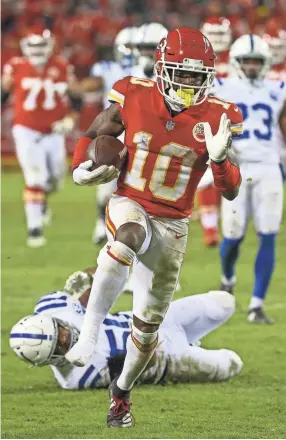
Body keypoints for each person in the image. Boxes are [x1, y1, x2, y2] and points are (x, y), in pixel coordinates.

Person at [66, 27, 243, 427]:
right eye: (180, 73)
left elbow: (230, 190)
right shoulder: (132, 92)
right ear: (162, 68)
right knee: (126, 238)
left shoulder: (220, 114)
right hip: (131, 200)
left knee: (146, 332)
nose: (187, 83)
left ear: (209, 76)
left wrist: (219, 160)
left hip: (174, 222)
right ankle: (89, 335)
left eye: (197, 76)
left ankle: (121, 393)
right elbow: (96, 134)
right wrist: (80, 167)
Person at [9, 269, 243, 390]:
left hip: (154, 318)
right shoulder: (78, 377)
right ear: (51, 360)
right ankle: (193, 349)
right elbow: (142, 364)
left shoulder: (51, 306)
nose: (66, 337)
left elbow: (90, 280)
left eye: (60, 330)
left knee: (224, 303)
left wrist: (99, 281)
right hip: (166, 357)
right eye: (59, 344)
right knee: (233, 363)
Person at [214, 34, 286, 324]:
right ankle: (227, 277)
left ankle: (257, 304)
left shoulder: (279, 88)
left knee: (268, 234)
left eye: (258, 61)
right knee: (232, 236)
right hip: (236, 166)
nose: (253, 67)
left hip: (269, 165)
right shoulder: (220, 87)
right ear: (236, 62)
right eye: (248, 61)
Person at [1, 26, 81, 248]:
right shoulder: (15, 66)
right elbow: (2, 94)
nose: (36, 50)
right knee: (35, 177)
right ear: (25, 47)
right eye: (33, 45)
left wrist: (70, 119)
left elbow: (76, 98)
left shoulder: (62, 66)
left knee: (55, 179)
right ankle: (34, 229)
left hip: (53, 132)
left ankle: (42, 201)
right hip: (25, 130)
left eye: (40, 45)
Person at [81, 26, 139, 244]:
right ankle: (100, 223)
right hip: (115, 131)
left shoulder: (154, 72)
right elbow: (91, 84)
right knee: (106, 184)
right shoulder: (108, 68)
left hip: (143, 134)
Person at [197, 17, 233, 247]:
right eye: (214, 35)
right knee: (207, 176)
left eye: (222, 35)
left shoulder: (237, 58)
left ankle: (217, 223)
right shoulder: (196, 59)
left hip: (233, 123)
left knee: (224, 176)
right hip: (205, 123)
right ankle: (210, 227)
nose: (218, 40)